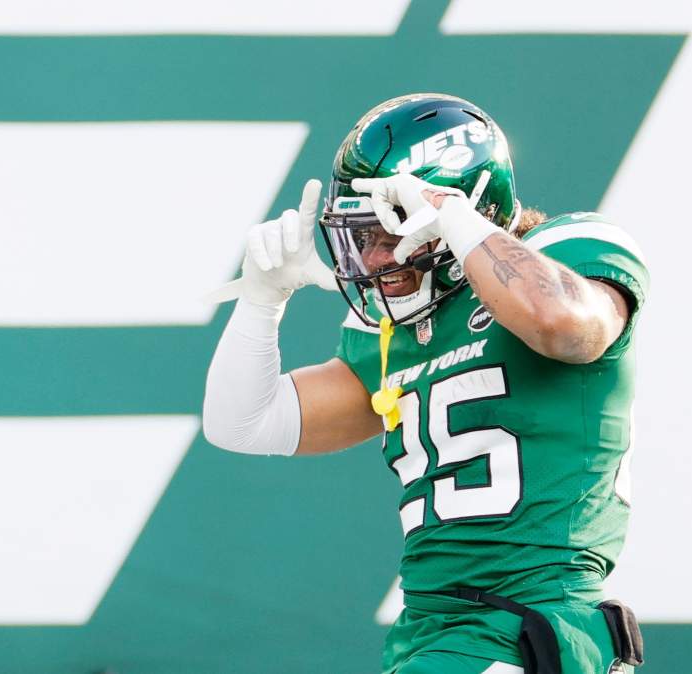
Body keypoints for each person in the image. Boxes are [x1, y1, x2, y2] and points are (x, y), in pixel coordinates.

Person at [203, 93, 648, 674]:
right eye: (362, 238)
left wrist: (457, 219)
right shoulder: (395, 330)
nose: (373, 259)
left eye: (390, 233)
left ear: (466, 207)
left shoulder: (568, 250)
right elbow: (244, 424)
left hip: (530, 620)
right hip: (433, 629)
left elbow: (565, 327)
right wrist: (262, 303)